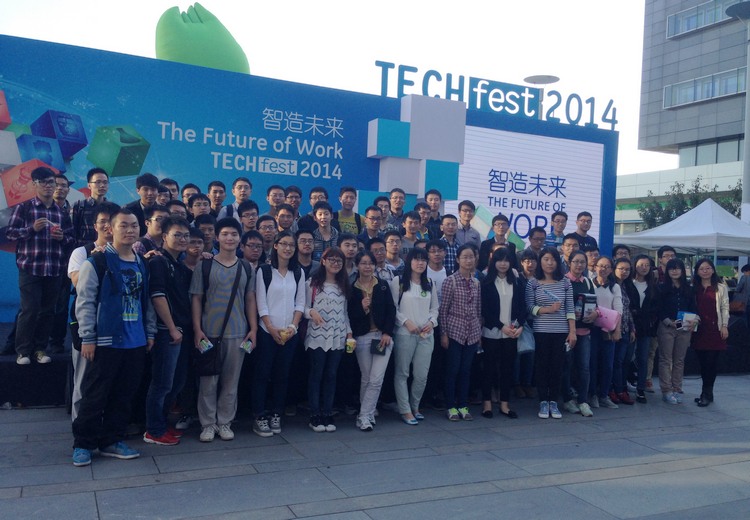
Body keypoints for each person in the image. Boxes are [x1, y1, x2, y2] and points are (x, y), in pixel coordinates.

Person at [71, 208, 156, 467]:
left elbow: (146, 301)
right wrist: (88, 338)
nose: (130, 230)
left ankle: (111, 440)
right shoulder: (96, 262)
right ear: (111, 229)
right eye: (123, 225)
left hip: (136, 341)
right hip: (106, 341)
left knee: (124, 395)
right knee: (95, 394)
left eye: (134, 225)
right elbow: (85, 302)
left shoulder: (141, 262)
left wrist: (149, 332)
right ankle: (83, 444)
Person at [190, 217, 258, 442]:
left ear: (240, 239)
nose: (230, 238)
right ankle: (207, 424)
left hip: (238, 332)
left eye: (234, 234)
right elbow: (196, 299)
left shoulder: (246, 267)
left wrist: (253, 329)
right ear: (217, 238)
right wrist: (197, 329)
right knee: (208, 382)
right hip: (208, 332)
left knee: (231, 382)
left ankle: (224, 423)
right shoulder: (204, 265)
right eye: (225, 234)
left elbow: (250, 299)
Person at [5, 166, 74, 364]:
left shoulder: (61, 212)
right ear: (34, 184)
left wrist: (62, 237)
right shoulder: (25, 207)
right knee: (29, 310)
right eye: (42, 182)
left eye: (51, 182)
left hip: (54, 268)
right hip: (30, 267)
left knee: (48, 311)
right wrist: (32, 229)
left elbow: (70, 239)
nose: (48, 186)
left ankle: (40, 349)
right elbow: (10, 234)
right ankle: (23, 351)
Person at [67, 202, 120, 421]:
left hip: (116, 326)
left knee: (112, 382)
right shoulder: (81, 252)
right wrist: (94, 260)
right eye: (103, 221)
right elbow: (78, 284)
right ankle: (79, 427)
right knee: (83, 380)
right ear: (94, 225)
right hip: (87, 325)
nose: (107, 226)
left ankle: (106, 426)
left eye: (112, 221)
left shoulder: (127, 253)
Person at [144, 216, 193, 446]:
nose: (183, 239)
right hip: (167, 332)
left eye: (186, 235)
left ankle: (162, 424)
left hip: (181, 331)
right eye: (177, 235)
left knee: (176, 382)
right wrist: (172, 328)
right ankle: (154, 430)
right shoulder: (158, 262)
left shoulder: (178, 263)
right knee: (162, 383)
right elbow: (157, 296)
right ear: (164, 236)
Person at [253, 231, 306, 436]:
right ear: (275, 246)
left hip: (289, 333)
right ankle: (259, 415)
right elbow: (261, 302)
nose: (288, 248)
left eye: (292, 245)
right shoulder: (265, 270)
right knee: (262, 374)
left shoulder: (298, 272)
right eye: (284, 244)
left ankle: (276, 413)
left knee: (282, 376)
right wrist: (270, 327)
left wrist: (293, 326)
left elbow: (300, 302)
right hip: (267, 332)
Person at [305, 247, 353, 433]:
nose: (335, 263)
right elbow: (302, 307)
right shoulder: (313, 283)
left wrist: (349, 333)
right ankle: (315, 414)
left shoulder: (343, 285)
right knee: (316, 375)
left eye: (339, 261)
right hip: (317, 336)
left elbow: (345, 313)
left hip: (337, 337)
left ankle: (327, 413)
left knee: (332, 376)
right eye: (331, 259)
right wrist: (312, 312)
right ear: (323, 261)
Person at [525, 247, 576, 420]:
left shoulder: (566, 283)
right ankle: (543, 401)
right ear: (540, 261)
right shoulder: (533, 283)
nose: (549, 263)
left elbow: (570, 309)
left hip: (561, 332)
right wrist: (548, 309)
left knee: (557, 367)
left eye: (553, 259)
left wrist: (572, 332)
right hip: (541, 332)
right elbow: (529, 308)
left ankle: (553, 401)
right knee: (541, 367)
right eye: (546, 259)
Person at [348, 251, 396, 431]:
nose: (367, 266)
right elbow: (349, 315)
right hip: (362, 337)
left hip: (381, 337)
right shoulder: (352, 288)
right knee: (367, 378)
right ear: (357, 266)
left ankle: (364, 416)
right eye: (363, 263)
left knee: (376, 378)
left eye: (370, 263)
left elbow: (391, 310)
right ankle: (367, 412)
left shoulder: (382, 285)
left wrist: (387, 333)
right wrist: (361, 308)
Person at [390, 247, 439, 425]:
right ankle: (405, 409)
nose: (420, 263)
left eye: (424, 260)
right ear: (409, 261)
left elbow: (435, 309)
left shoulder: (429, 283)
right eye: (416, 259)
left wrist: (431, 322)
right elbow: (393, 308)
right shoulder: (399, 281)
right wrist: (406, 322)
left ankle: (415, 406)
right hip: (405, 334)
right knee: (402, 373)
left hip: (426, 335)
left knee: (421, 375)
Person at [480, 247, 526, 419]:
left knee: (507, 369)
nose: (503, 263)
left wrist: (520, 326)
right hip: (492, 332)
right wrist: (501, 326)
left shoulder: (517, 282)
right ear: (494, 262)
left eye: (506, 260)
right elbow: (485, 310)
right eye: (500, 260)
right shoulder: (487, 282)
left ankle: (505, 405)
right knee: (489, 369)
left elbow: (523, 307)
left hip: (512, 333)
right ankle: (487, 404)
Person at [439, 245, 482, 421]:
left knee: (466, 370)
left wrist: (479, 333)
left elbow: (478, 309)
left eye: (471, 257)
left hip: (472, 333)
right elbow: (443, 310)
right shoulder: (450, 281)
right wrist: (443, 333)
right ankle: (451, 406)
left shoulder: (476, 282)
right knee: (453, 370)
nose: (468, 260)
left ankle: (463, 405)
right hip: (454, 331)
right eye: (464, 257)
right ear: (457, 260)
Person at [657, 258, 697, 404]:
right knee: (665, 359)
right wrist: (669, 322)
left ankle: (676, 388)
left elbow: (694, 308)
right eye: (671, 268)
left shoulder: (689, 288)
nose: (674, 271)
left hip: (684, 327)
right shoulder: (661, 288)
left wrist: (695, 321)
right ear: (667, 271)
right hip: (667, 326)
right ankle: (666, 390)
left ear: (682, 270)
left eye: (677, 268)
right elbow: (658, 308)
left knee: (679, 359)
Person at [562, 250, 596, 417]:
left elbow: (595, 304)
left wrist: (595, 314)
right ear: (569, 263)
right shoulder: (563, 281)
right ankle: (567, 399)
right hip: (566, 332)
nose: (579, 265)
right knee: (566, 366)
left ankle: (583, 400)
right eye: (576, 261)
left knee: (584, 367)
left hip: (584, 331)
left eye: (582, 262)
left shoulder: (588, 282)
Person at [691, 258, 729, 407]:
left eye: (708, 268)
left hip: (715, 329)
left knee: (711, 363)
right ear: (697, 272)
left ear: (713, 270)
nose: (705, 271)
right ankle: (707, 393)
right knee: (702, 363)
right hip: (698, 329)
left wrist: (724, 325)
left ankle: (706, 393)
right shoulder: (693, 287)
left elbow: (725, 307)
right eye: (701, 269)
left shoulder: (721, 287)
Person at [588, 255, 622, 410]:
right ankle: (592, 395)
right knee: (592, 363)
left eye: (606, 266)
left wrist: (617, 330)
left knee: (608, 364)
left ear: (611, 270)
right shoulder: (589, 283)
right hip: (591, 329)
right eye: (600, 266)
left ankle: (604, 395)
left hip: (608, 329)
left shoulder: (614, 287)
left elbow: (618, 309)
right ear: (595, 267)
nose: (603, 269)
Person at [645, 246, 677, 392]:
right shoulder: (653, 275)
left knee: (669, 354)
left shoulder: (677, 276)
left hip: (671, 321)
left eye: (673, 256)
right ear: (660, 258)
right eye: (667, 256)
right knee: (650, 351)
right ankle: (647, 380)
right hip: (653, 318)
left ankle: (669, 383)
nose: (670, 258)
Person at [631, 254, 658, 403]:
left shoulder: (653, 286)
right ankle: (621, 387)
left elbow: (656, 308)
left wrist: (639, 312)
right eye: (641, 264)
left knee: (643, 358)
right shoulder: (628, 284)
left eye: (647, 265)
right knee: (625, 358)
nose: (644, 268)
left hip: (646, 328)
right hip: (629, 326)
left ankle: (641, 388)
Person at [612, 257, 637, 406]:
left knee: (625, 362)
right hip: (614, 330)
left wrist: (633, 329)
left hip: (627, 329)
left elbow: (628, 310)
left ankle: (622, 389)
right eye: (621, 268)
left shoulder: (628, 287)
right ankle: (616, 390)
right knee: (616, 362)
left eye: (627, 269)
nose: (624, 272)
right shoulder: (611, 286)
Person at [72, 167, 109, 247]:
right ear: (89, 185)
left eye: (105, 182)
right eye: (98, 182)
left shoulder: (111, 208)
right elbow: (70, 232)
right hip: (84, 250)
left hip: (106, 250)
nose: (102, 185)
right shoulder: (79, 206)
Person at [124, 172, 160, 237]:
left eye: (153, 189)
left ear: (157, 191)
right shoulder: (128, 210)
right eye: (145, 190)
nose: (150, 193)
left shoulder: (162, 210)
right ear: (138, 191)